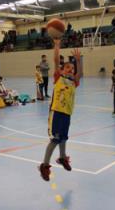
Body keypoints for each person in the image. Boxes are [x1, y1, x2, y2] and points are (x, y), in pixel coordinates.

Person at [39, 40, 82, 182]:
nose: (70, 70)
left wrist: (78, 60)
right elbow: (56, 60)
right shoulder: (59, 78)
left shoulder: (74, 82)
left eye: (72, 68)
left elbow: (79, 73)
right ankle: (44, 165)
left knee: (63, 138)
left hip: (67, 114)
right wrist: (57, 46)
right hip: (56, 113)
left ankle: (62, 158)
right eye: (67, 68)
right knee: (55, 140)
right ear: (62, 71)